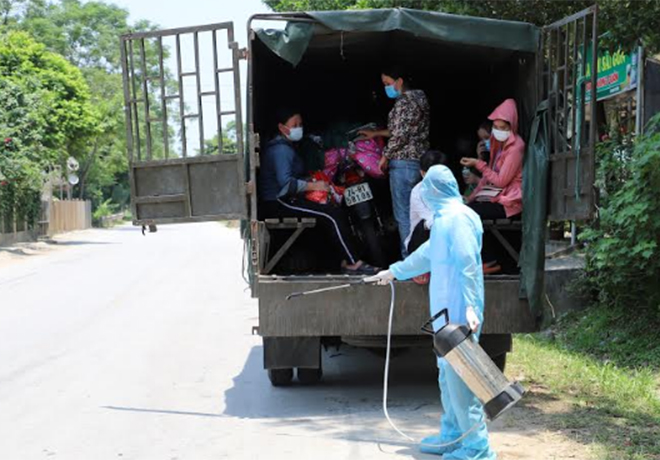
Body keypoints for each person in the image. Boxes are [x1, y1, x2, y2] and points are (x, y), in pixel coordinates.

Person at [365, 165, 496, 460]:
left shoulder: (459, 219)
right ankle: (452, 435)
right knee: (446, 378)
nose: (422, 191)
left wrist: (473, 307)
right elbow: (427, 255)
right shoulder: (444, 220)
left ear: (435, 189)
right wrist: (394, 271)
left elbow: (468, 265)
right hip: (445, 314)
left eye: (426, 186)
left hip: (461, 313)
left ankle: (477, 447)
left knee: (462, 382)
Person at [258, 108, 377, 275]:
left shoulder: (287, 146)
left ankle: (343, 260)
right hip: (279, 201)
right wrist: (314, 186)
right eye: (294, 125)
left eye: (300, 124)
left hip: (286, 198)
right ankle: (352, 263)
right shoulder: (281, 150)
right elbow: (285, 184)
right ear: (282, 128)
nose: (299, 128)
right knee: (331, 214)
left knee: (331, 210)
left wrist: (313, 180)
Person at [359, 66, 431, 258]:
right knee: (420, 213)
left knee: (404, 216)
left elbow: (399, 136)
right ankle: (422, 259)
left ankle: (410, 261)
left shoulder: (403, 103)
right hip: (419, 164)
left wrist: (385, 156)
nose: (387, 88)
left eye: (388, 83)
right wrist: (376, 133)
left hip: (403, 164)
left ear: (399, 82)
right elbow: (404, 130)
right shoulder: (420, 99)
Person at [461, 99, 524, 272]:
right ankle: (486, 259)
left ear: (512, 126)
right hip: (497, 196)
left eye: (503, 128)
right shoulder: (499, 145)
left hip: (509, 203)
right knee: (467, 209)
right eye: (496, 127)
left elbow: (500, 181)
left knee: (470, 214)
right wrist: (470, 198)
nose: (499, 131)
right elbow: (487, 179)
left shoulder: (516, 148)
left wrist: (478, 164)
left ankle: (488, 260)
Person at [405, 150, 448, 285]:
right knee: (426, 225)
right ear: (422, 173)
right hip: (422, 241)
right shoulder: (417, 192)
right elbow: (431, 219)